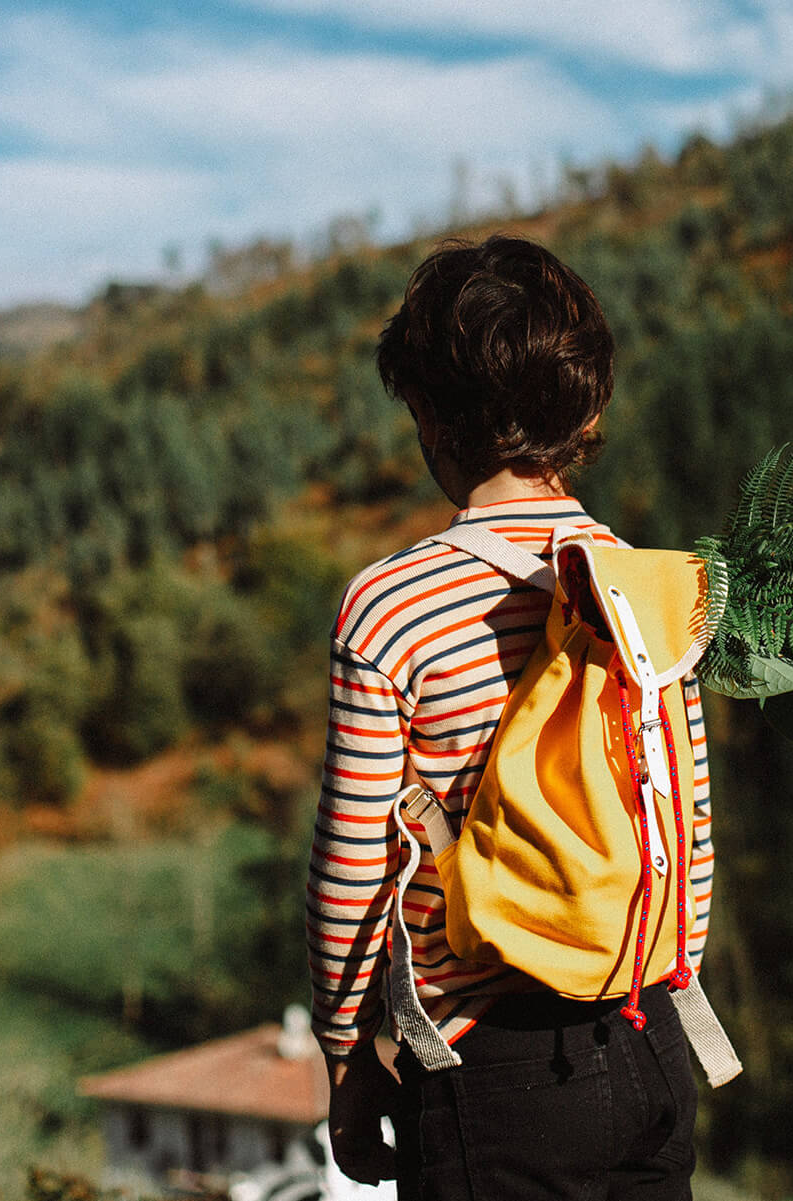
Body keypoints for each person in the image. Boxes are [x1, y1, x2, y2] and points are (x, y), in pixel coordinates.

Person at [306, 235, 715, 1200]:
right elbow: (685, 821)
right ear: (583, 412)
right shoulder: (651, 587)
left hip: (488, 1068)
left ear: (434, 418)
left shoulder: (390, 604)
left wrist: (342, 1048)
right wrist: (668, 984)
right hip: (649, 1034)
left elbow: (354, 861)